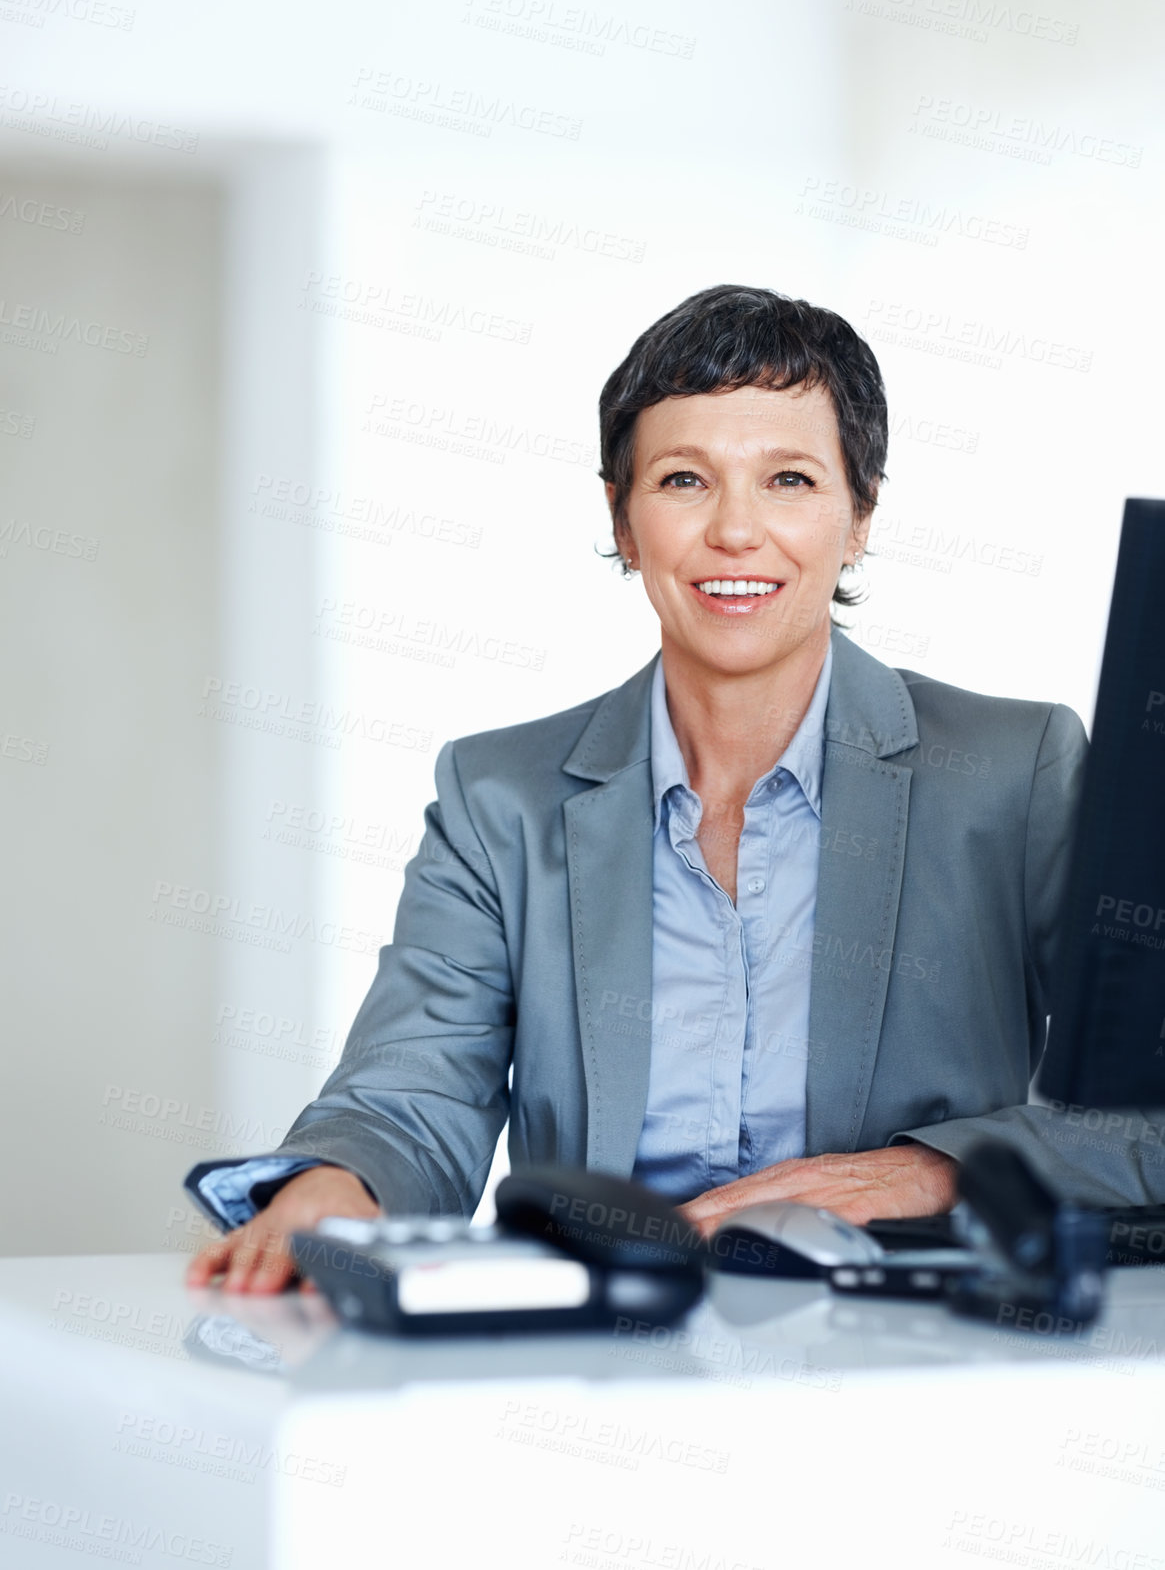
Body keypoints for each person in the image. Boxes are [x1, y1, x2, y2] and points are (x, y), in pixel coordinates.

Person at [186, 283, 1162, 1295]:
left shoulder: (1014, 771)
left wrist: (927, 1171)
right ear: (622, 515)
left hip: (902, 1355)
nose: (736, 531)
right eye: (685, 478)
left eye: (787, 478)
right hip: (599, 1349)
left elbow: (1147, 1119)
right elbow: (408, 1095)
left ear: (858, 514)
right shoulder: (499, 799)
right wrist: (338, 1181)